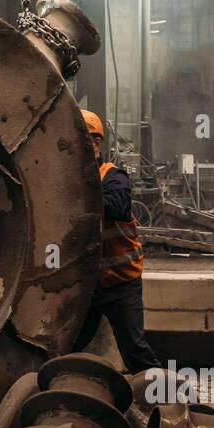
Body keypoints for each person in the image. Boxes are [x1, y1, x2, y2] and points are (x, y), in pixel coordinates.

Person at [73, 109, 160, 372]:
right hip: (88, 285)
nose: (93, 143)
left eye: (96, 139)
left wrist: (74, 195)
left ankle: (173, 402)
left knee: (134, 349)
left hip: (121, 282)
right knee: (67, 345)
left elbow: (117, 207)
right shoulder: (64, 181)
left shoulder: (113, 176)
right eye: (87, 138)